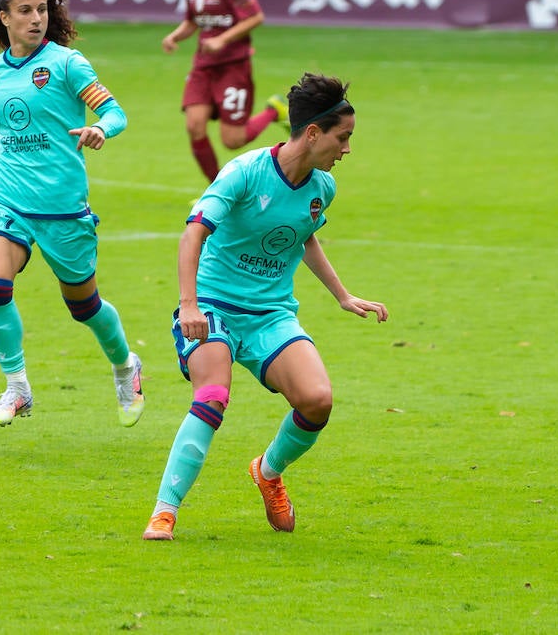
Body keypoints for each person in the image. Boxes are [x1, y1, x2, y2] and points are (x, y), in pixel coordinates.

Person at [143, 72, 388, 541]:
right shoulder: (243, 172)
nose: (348, 149)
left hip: (271, 314)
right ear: (313, 133)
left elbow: (304, 234)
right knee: (213, 395)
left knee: (317, 401)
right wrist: (189, 305)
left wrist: (343, 295)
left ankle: (268, 471)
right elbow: (194, 230)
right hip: (213, 306)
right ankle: (164, 512)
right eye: (344, 137)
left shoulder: (322, 188)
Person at [0, 0, 144, 428]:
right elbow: (2, 127)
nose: (35, 18)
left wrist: (100, 130)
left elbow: (116, 113)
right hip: (8, 199)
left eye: (43, 9)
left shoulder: (68, 64)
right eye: (25, 10)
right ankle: (17, 388)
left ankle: (126, 365)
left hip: (63, 208)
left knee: (84, 307)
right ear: (3, 17)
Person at [162, 0, 287, 182]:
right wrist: (175, 36)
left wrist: (223, 39)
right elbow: (193, 21)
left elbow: (256, 16)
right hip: (204, 66)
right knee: (194, 126)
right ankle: (217, 189)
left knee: (233, 139)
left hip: (233, 65)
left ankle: (273, 110)